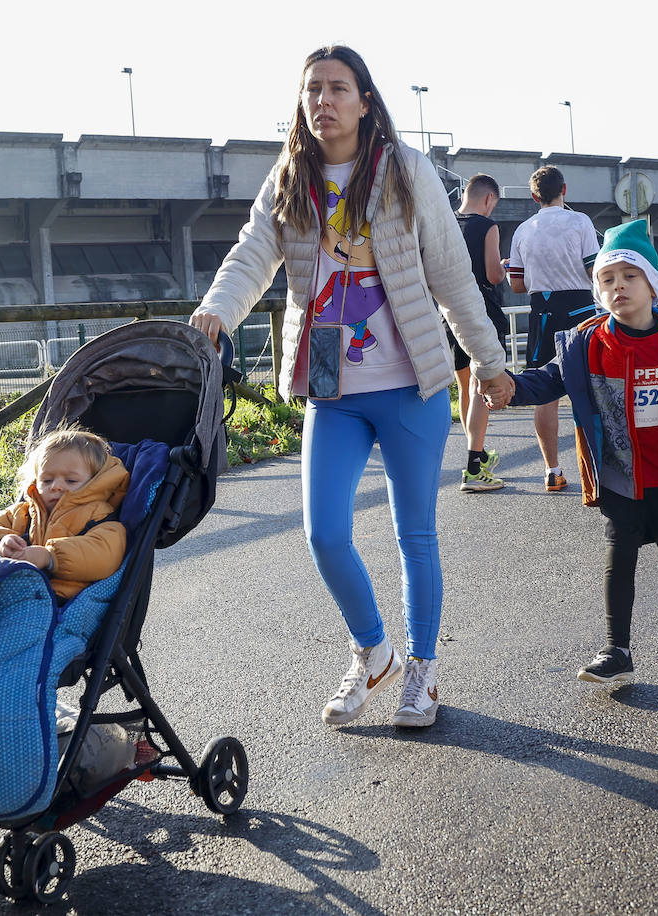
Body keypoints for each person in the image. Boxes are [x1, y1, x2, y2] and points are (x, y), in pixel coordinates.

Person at [189, 45, 511, 729]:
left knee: (414, 534)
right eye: (313, 89)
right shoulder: (289, 177)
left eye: (339, 88)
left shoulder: (406, 171)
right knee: (325, 534)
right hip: (331, 388)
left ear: (366, 101)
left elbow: (452, 274)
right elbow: (253, 252)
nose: (323, 101)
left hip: (410, 385)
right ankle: (374, 653)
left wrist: (488, 360)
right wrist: (218, 308)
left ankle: (421, 671)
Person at [506, 219, 658, 682]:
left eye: (629, 277)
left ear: (653, 284)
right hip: (619, 475)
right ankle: (617, 648)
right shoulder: (585, 343)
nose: (618, 287)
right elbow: (547, 380)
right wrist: (509, 386)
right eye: (607, 280)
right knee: (619, 560)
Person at [506, 166, 601, 492]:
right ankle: (598, 467)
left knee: (543, 394)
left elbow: (517, 285)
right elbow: (595, 272)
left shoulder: (523, 229)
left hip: (541, 313)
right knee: (589, 388)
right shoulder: (580, 222)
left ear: (534, 196)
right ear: (564, 189)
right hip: (581, 310)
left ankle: (552, 470)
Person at [0, 427, 130, 601]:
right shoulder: (23, 512)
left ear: (95, 482)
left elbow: (105, 554)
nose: (55, 486)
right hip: (9, 592)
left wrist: (50, 556)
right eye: (46, 480)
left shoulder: (100, 516)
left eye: (71, 480)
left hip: (59, 600)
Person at [447, 173, 511, 491]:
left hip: (448, 315)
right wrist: (503, 266)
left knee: (464, 388)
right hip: (480, 314)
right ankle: (473, 468)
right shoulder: (487, 226)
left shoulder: (446, 223)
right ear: (488, 199)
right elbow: (492, 274)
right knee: (480, 388)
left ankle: (478, 453)